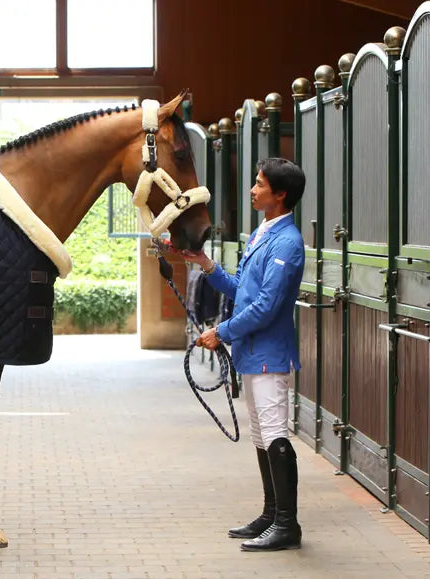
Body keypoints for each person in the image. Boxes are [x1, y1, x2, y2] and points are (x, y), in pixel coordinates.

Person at [179, 157, 306, 552]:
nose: (253, 190)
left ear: (279, 194)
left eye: (259, 184)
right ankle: (271, 515)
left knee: (275, 434)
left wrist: (223, 332)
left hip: (269, 353)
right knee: (261, 436)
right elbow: (241, 291)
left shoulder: (287, 242)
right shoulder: (262, 233)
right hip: (254, 352)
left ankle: (287, 524)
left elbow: (267, 305)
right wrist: (206, 265)